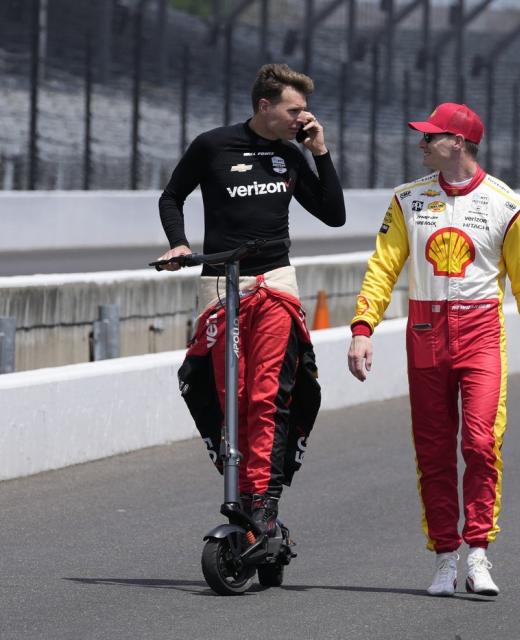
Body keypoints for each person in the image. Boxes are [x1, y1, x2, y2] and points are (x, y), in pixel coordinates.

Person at [346, 103, 520, 598]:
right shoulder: (406, 201)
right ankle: (445, 556)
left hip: (482, 333)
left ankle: (478, 553)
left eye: (431, 137)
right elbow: (383, 268)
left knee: (481, 444)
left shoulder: (510, 205)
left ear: (457, 143)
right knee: (434, 451)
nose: (421, 144)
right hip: (424, 332)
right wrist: (362, 327)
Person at [156, 63, 346, 536]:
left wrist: (319, 152)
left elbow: (334, 215)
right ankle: (241, 490)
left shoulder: (291, 154)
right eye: (295, 109)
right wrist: (179, 243)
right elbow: (171, 197)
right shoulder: (211, 145)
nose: (304, 117)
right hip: (221, 281)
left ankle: (265, 500)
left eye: (304, 110)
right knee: (230, 396)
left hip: (276, 281)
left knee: (268, 394)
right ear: (265, 106)